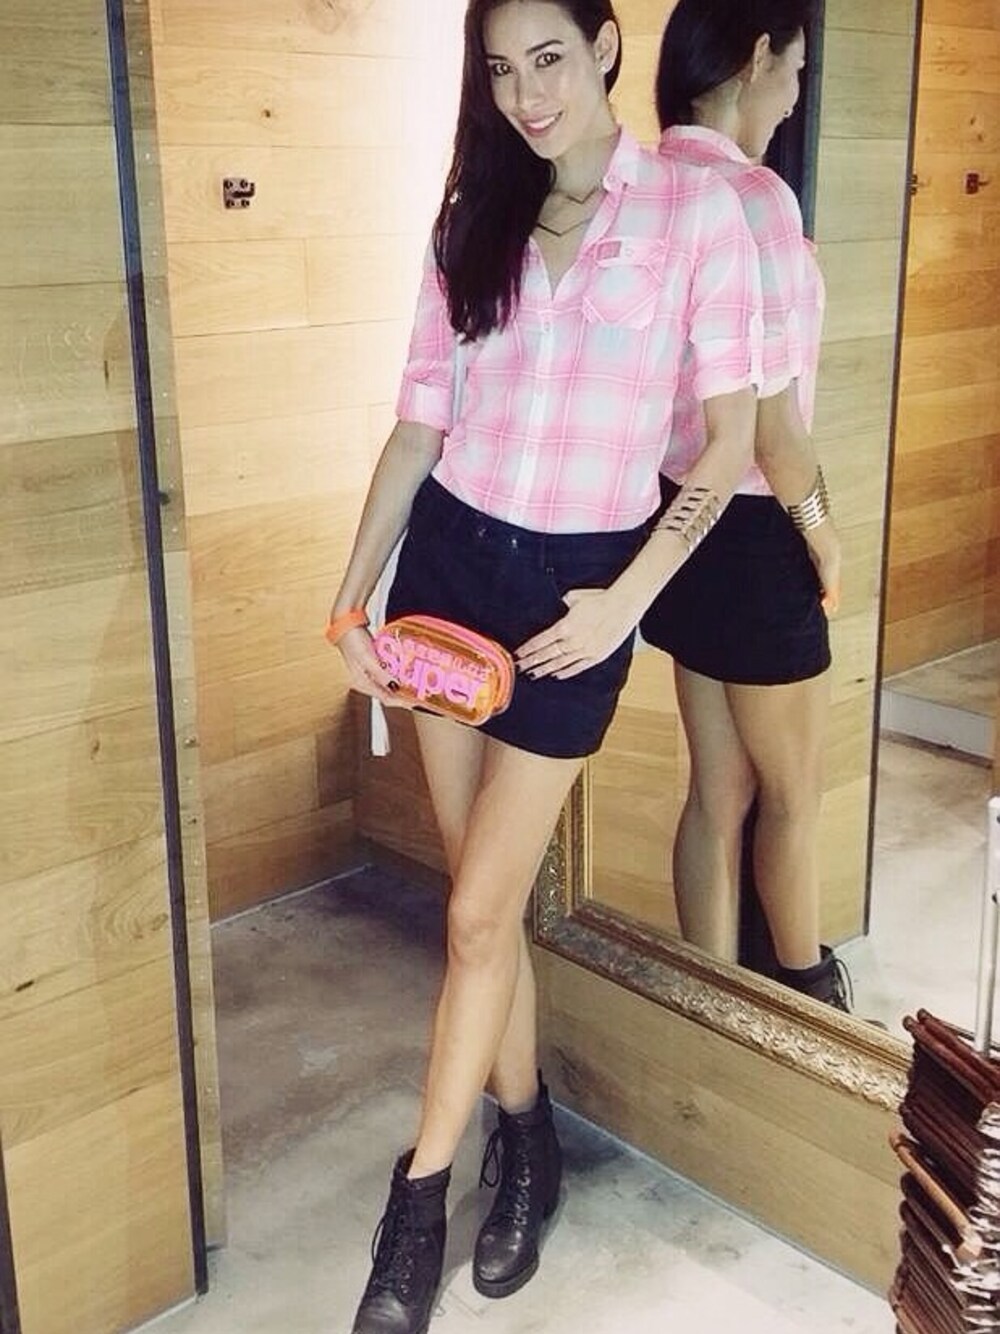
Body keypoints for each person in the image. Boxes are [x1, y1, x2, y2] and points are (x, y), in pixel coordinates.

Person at [327, 3, 762, 1329]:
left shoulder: (696, 215)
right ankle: (526, 1139)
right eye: (503, 68)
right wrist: (348, 602)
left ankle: (415, 1206)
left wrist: (625, 601)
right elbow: (418, 429)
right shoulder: (476, 213)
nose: (526, 93)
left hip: (577, 599)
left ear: (607, 46)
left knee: (475, 915)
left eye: (550, 59)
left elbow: (730, 442)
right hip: (449, 577)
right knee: (482, 908)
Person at [640, 0, 848, 1008]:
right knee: (794, 797)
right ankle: (807, 1010)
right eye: (795, 70)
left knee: (714, 795)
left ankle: (709, 1012)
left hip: (680, 522)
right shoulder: (755, 199)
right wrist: (824, 536)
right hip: (761, 526)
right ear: (757, 55)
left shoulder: (649, 185)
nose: (796, 95)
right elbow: (773, 429)